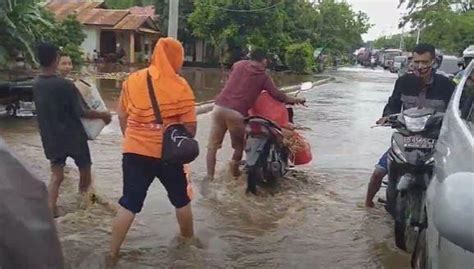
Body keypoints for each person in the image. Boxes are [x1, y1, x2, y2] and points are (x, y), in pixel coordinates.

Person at [109, 37, 197, 262]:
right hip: (169, 156)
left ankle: (112, 254)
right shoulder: (181, 85)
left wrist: (132, 140)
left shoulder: (133, 80)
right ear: (175, 57)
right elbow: (190, 128)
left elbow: (121, 115)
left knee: (129, 203)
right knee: (181, 200)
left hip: (134, 151)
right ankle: (189, 245)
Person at [365, 43, 456, 208]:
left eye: (425, 62)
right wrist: (387, 117)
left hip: (434, 141)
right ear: (411, 61)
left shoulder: (447, 85)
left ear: (434, 62)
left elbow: (455, 112)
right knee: (379, 172)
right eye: (417, 62)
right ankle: (367, 204)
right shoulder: (403, 82)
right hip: (406, 139)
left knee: (449, 179)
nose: (420, 66)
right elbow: (393, 104)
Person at [32, 43, 112, 216]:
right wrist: (104, 116)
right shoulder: (66, 85)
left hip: (51, 138)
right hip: (73, 137)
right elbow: (82, 112)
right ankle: (85, 207)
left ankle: (50, 210)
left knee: (57, 176)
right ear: (55, 60)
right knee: (85, 170)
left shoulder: (37, 84)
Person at [205, 48, 305, 180]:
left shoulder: (238, 65)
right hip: (236, 113)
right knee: (239, 147)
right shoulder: (263, 76)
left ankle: (209, 177)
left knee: (212, 146)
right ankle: (235, 174)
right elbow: (277, 95)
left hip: (218, 108)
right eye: (266, 60)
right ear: (264, 60)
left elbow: (236, 79)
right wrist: (295, 100)